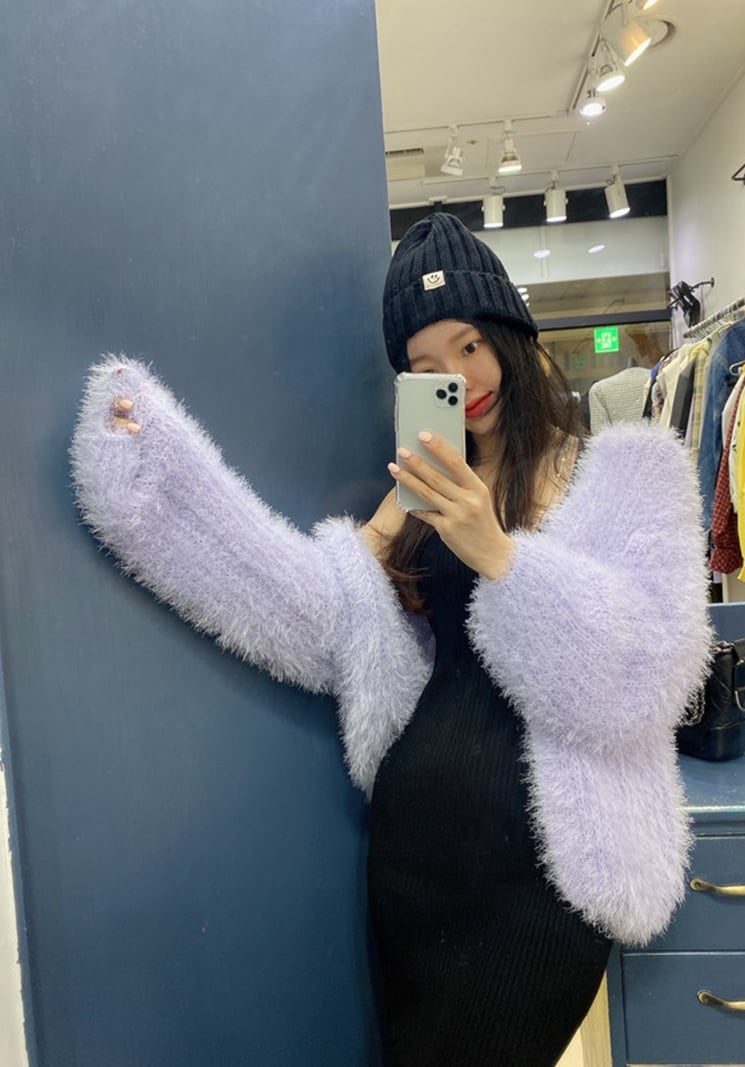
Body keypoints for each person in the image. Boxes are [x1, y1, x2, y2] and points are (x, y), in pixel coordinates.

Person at [71, 213, 711, 1067]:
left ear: (511, 333)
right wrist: (164, 473)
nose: (459, 378)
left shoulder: (629, 475)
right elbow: (310, 609)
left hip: (545, 882)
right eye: (426, 367)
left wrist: (499, 554)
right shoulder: (422, 487)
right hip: (416, 857)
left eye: (471, 345)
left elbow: (652, 675)